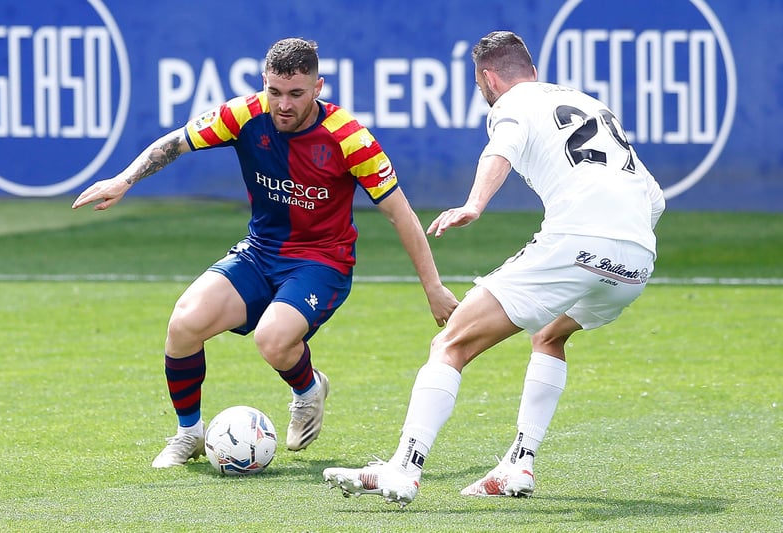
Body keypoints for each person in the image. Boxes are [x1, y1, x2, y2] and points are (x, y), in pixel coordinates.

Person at [72, 37, 458, 468]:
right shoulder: (243, 115)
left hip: (321, 262)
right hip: (260, 252)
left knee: (272, 339)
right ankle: (189, 434)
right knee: (183, 322)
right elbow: (176, 142)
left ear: (318, 87)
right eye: (275, 92)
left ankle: (308, 388)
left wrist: (434, 287)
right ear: (264, 84)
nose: (283, 105)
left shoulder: (349, 138)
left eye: (296, 94)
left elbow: (400, 214)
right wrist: (124, 179)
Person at [323, 30, 665, 507]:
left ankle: (403, 467)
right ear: (533, 70)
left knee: (451, 342)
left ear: (487, 77)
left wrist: (474, 204)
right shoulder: (587, 103)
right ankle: (518, 464)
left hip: (576, 241)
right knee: (549, 335)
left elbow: (500, 149)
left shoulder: (510, 105)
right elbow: (655, 197)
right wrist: (623, 242)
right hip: (637, 258)